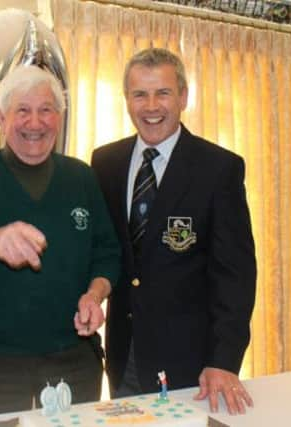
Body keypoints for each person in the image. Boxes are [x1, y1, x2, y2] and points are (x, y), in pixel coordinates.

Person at [0, 65, 121, 417]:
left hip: (74, 357)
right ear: (1, 117)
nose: (35, 123)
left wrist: (95, 295)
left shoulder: (82, 178)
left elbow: (107, 254)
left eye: (46, 110)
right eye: (23, 111)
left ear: (59, 118)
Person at [91, 48, 256, 415]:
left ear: (183, 97)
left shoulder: (219, 169)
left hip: (193, 366)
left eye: (163, 93)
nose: (151, 106)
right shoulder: (104, 162)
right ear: (127, 100)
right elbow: (104, 250)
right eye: (140, 94)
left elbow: (236, 275)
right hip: (124, 356)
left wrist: (224, 360)